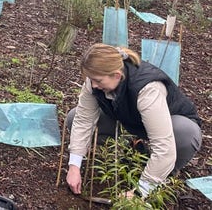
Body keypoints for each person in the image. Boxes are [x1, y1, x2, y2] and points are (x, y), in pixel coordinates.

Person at [66, 44, 202, 201]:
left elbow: (164, 147)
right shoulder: (95, 82)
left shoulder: (148, 89)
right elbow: (83, 120)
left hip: (171, 126)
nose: (94, 85)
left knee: (185, 133)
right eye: (91, 80)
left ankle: (163, 175)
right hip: (131, 121)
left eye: (98, 80)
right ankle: (133, 153)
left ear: (117, 75)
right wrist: (74, 166)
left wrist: (139, 192)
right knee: (73, 116)